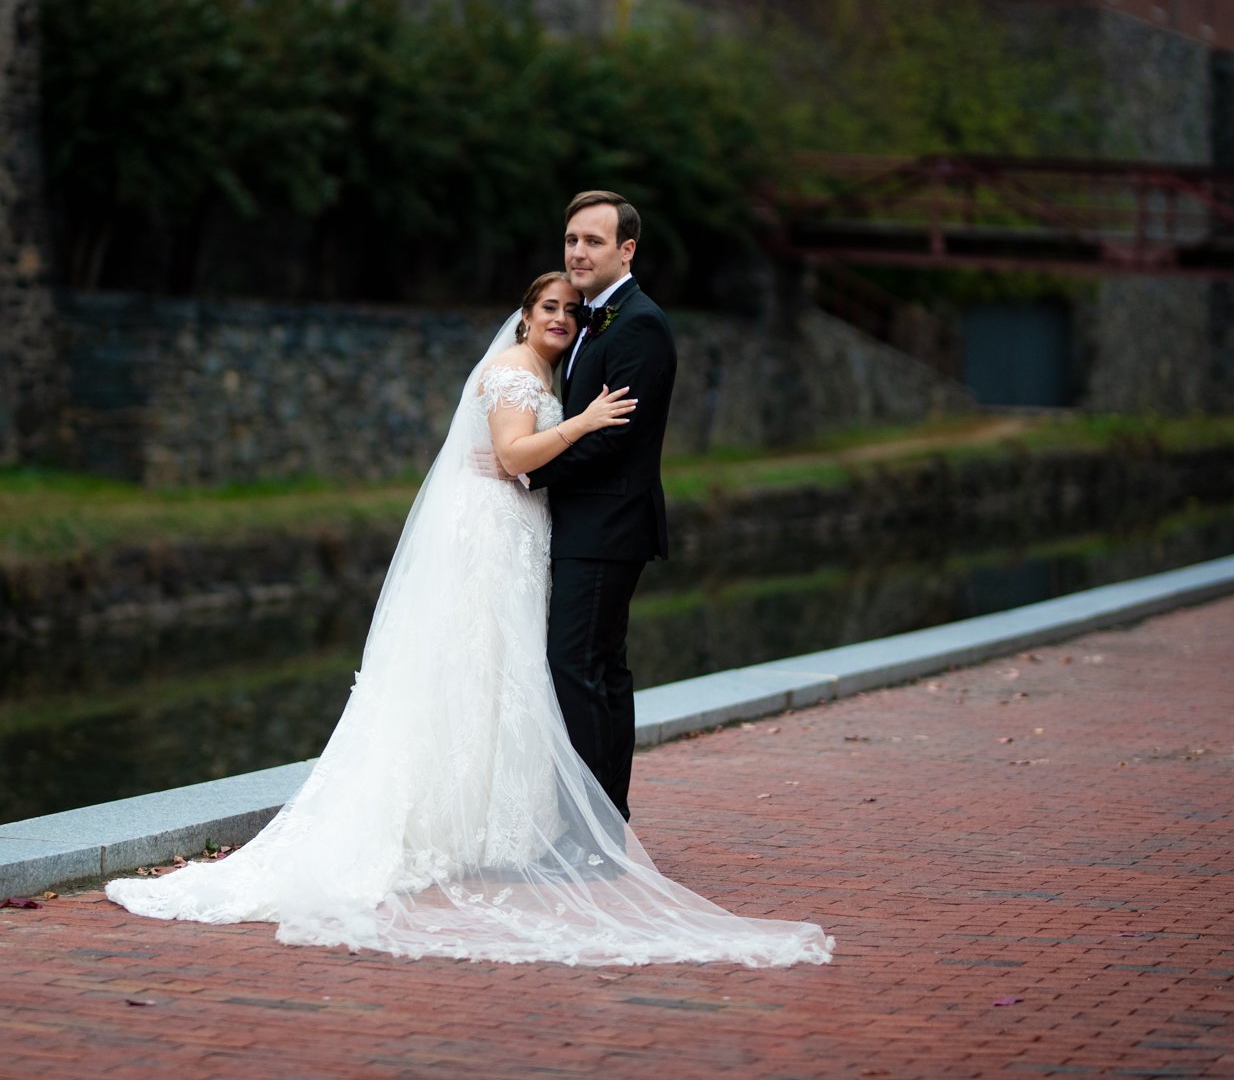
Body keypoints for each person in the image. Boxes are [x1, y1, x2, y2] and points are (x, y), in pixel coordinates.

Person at [106, 269, 832, 968]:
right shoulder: (517, 371)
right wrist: (581, 421)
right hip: (492, 534)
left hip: (518, 532)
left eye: (569, 311)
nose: (559, 318)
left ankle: (488, 820)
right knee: (481, 660)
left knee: (502, 670)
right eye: (548, 306)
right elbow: (515, 454)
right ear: (523, 315)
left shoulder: (542, 371)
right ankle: (460, 822)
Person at [524, 190, 675, 821]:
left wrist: (525, 470)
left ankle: (589, 826)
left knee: (576, 665)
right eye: (571, 241)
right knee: (601, 669)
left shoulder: (637, 323)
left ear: (626, 249)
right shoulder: (594, 317)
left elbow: (616, 439)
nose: (578, 252)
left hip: (607, 524)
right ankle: (605, 821)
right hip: (593, 522)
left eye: (593, 241)